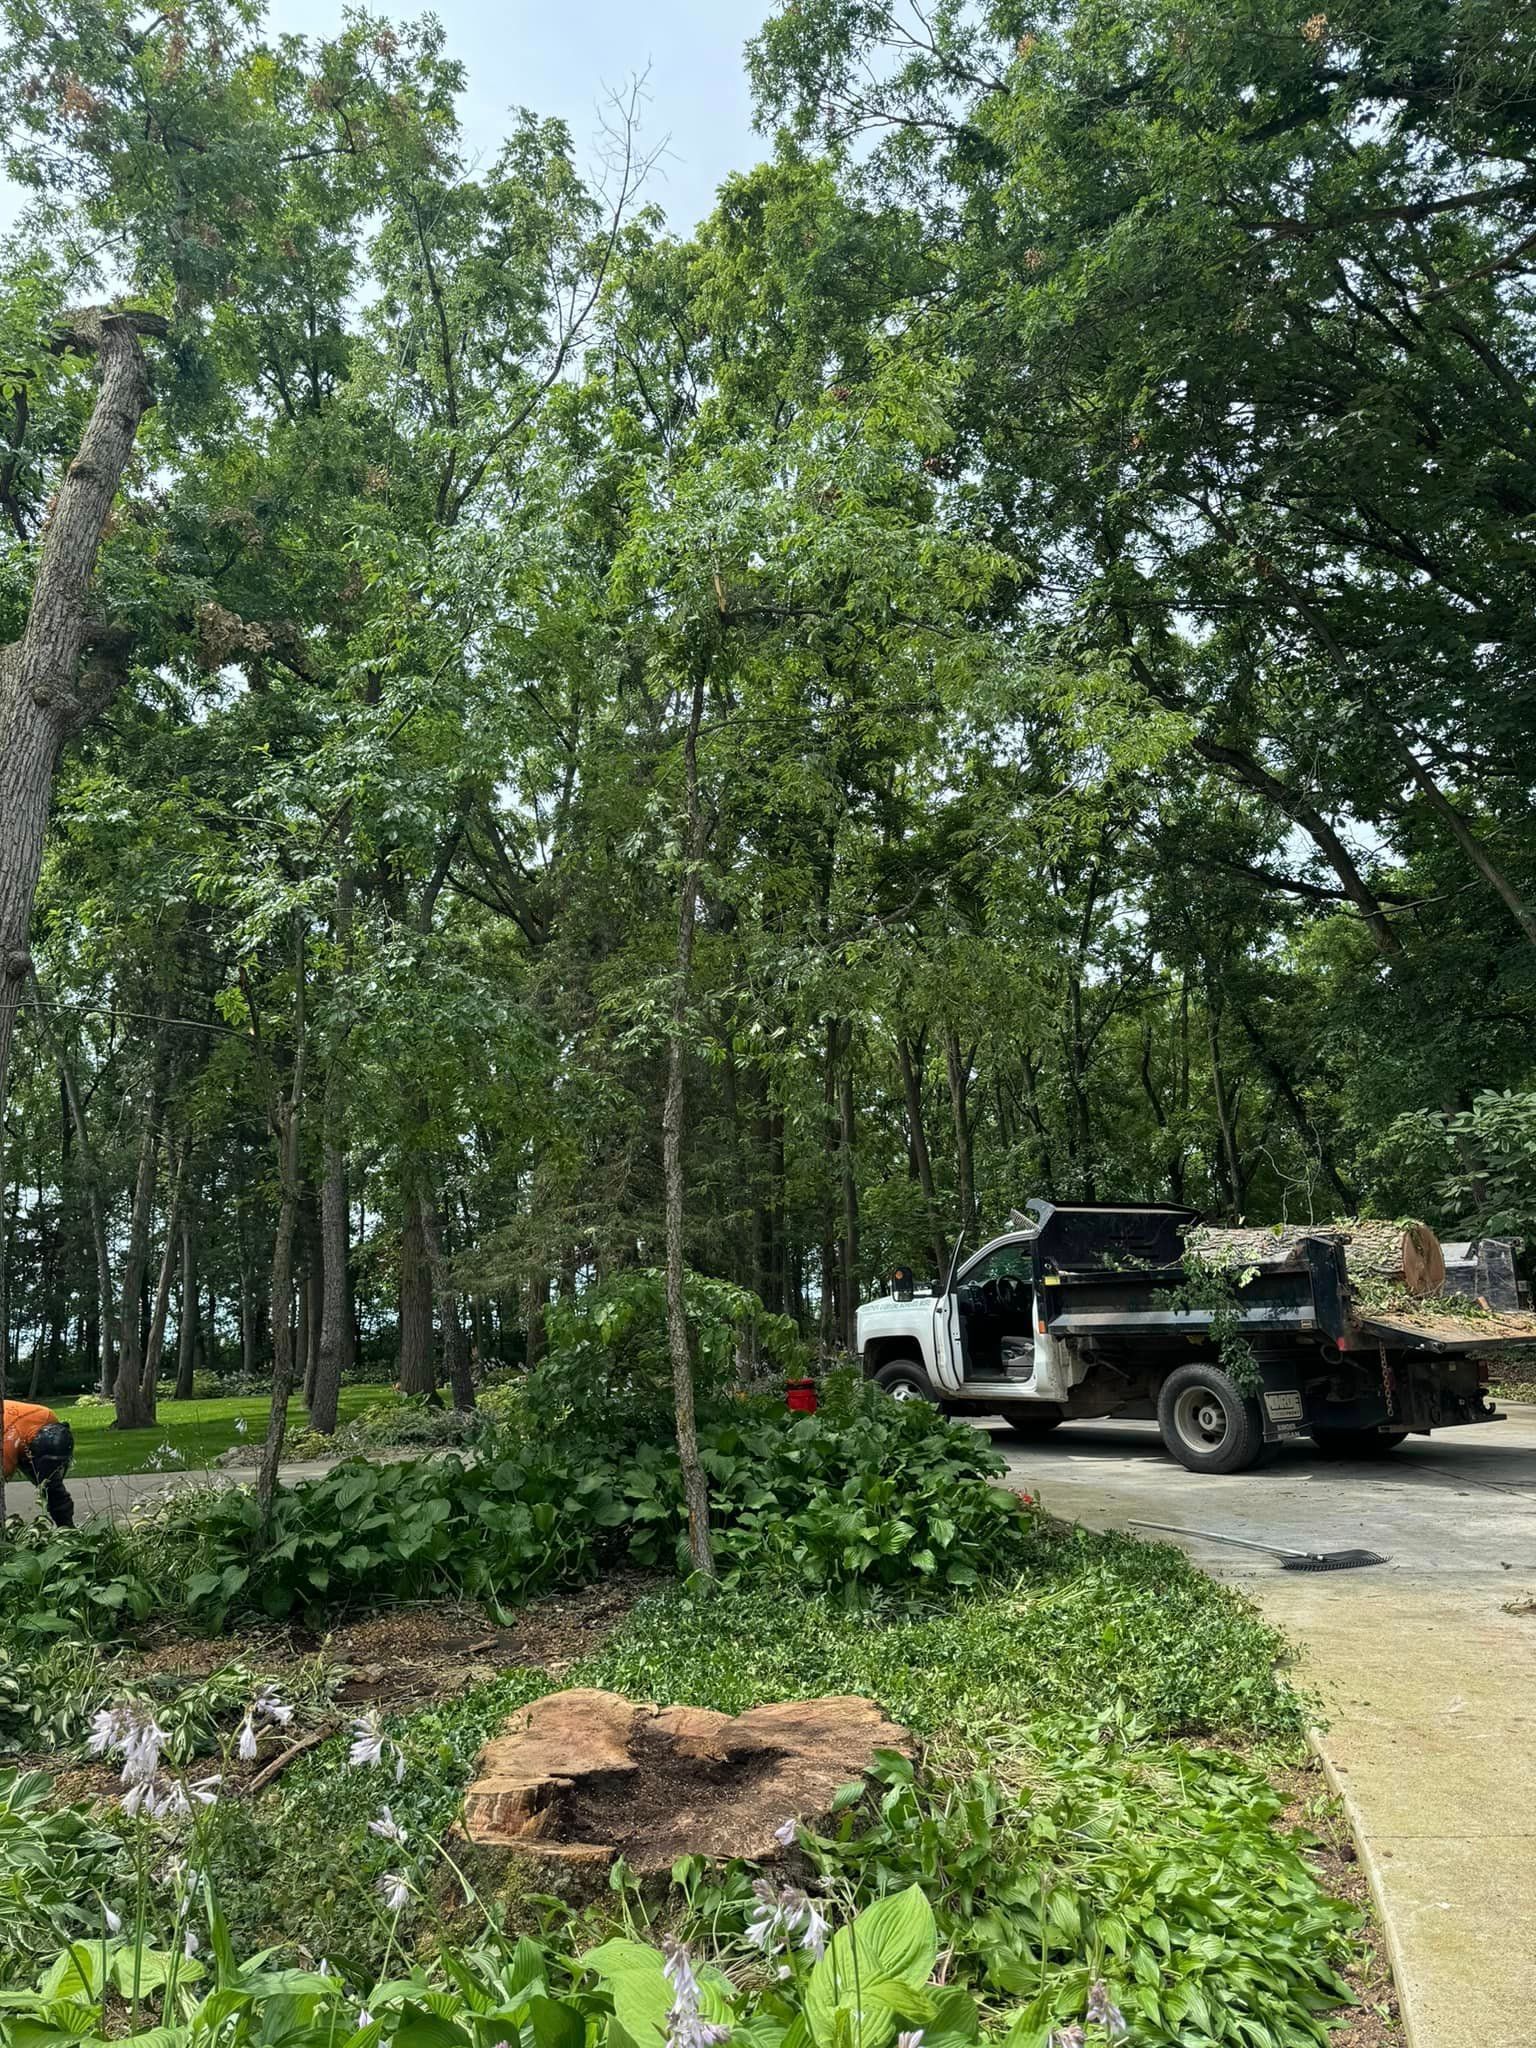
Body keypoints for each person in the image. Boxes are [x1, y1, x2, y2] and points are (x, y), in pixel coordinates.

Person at [2, 1401, 76, 1527]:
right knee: (51, 1486)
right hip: (10, 1436)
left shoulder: (47, 1416)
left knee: (52, 1486)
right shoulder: (7, 1450)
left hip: (20, 1436)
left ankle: (67, 1527)